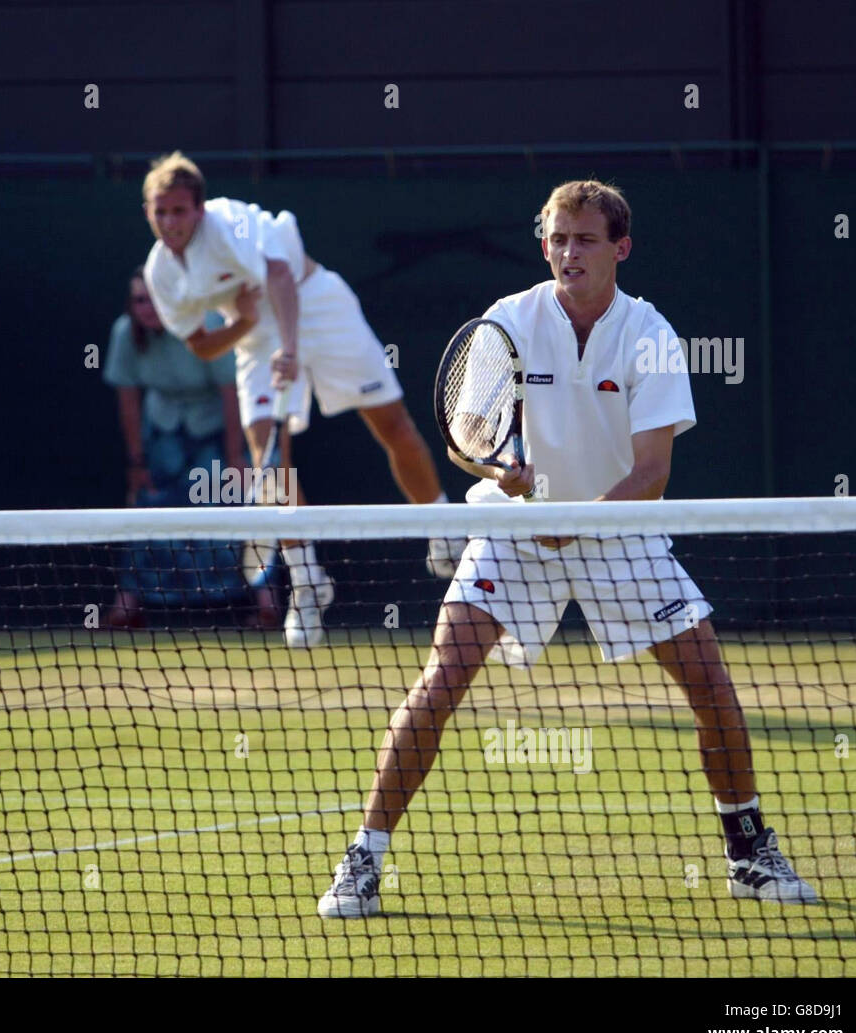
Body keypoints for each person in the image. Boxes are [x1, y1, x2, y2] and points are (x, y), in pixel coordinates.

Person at [318, 179, 817, 917]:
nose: (568, 251)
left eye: (584, 239)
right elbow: (468, 444)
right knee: (442, 679)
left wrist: (576, 520)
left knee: (711, 687)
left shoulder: (650, 334)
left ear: (621, 247)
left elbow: (651, 472)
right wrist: (502, 473)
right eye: (556, 237)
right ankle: (364, 857)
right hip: (516, 533)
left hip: (620, 535)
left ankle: (747, 851)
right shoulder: (508, 321)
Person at [140, 152, 464, 649]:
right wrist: (246, 325)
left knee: (392, 424)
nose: (170, 222)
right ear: (149, 213)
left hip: (315, 301)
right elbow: (202, 346)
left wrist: (289, 349)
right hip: (256, 333)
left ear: (199, 210)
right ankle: (308, 582)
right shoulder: (160, 271)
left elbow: (280, 279)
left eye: (178, 211)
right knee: (269, 462)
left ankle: (443, 527)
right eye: (159, 212)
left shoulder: (229, 228)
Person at [103, 268, 279, 628]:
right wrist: (137, 461)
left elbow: (232, 392)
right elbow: (128, 401)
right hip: (163, 430)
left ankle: (268, 603)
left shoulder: (206, 323)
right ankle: (127, 604)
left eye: (153, 299)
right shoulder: (125, 334)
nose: (146, 308)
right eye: (139, 300)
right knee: (146, 508)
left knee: (248, 503)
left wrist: (234, 458)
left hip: (221, 429)